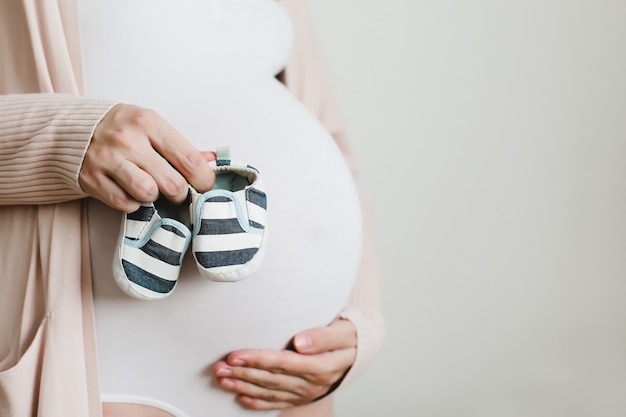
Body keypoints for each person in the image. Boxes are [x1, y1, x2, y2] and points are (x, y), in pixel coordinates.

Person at [0, 0, 384, 416]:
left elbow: (336, 158)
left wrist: (358, 321)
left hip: (289, 383)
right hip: (111, 370)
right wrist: (68, 137)